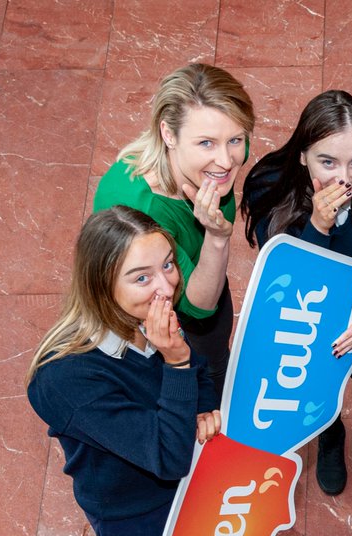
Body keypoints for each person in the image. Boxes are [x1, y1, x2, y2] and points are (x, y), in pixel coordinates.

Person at [27, 206, 230, 536]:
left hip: (190, 477)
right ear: (102, 287)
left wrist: (202, 407)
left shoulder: (148, 317)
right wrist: (175, 361)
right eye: (142, 277)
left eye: (168, 265)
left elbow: (200, 373)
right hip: (134, 511)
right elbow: (167, 455)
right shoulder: (64, 380)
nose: (166, 287)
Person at [241, 90, 352, 496]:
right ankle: (328, 438)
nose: (344, 178)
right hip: (304, 321)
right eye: (327, 162)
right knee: (315, 387)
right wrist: (318, 225)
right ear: (302, 155)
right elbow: (289, 279)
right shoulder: (270, 191)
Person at [94, 62, 255, 399]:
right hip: (165, 306)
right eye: (207, 144)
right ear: (169, 134)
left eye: (235, 140)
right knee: (203, 375)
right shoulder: (143, 209)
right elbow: (198, 306)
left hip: (199, 263)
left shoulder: (216, 156)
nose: (226, 161)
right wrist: (217, 236)